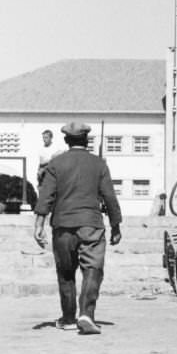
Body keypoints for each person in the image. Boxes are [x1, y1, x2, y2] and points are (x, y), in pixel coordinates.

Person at [33, 121, 122, 334]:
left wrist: (39, 224)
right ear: (86, 140)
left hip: (62, 225)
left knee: (65, 272)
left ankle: (68, 318)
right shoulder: (99, 164)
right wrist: (116, 225)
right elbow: (109, 196)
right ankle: (87, 314)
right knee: (93, 269)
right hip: (91, 224)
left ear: (65, 140)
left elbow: (46, 196)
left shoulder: (56, 164)